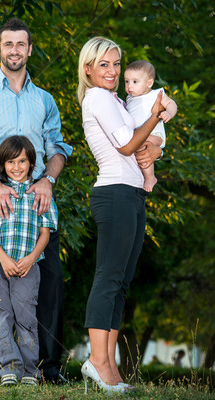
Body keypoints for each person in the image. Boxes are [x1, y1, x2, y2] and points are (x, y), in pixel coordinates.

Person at [0, 17, 73, 384]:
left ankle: (46, 367)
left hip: (36, 198)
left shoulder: (45, 100)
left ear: (29, 49)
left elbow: (57, 150)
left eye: (20, 44)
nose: (14, 50)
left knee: (49, 279)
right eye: (8, 44)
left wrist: (49, 181)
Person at [77, 36, 166, 394]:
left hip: (129, 193)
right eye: (104, 65)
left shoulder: (116, 97)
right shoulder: (98, 97)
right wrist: (156, 117)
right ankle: (97, 361)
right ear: (88, 69)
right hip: (114, 193)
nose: (113, 71)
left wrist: (156, 144)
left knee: (121, 283)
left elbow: (144, 141)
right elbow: (128, 144)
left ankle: (109, 365)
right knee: (109, 279)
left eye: (116, 64)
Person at [0, 135, 58, 387]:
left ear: (31, 163)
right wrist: (2, 259)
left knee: (26, 316)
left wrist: (32, 258)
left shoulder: (40, 194)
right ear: (2, 165)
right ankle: (8, 369)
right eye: (11, 161)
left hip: (27, 267)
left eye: (22, 161)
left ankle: (29, 372)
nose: (16, 167)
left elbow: (45, 233)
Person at [124, 60, 178, 192]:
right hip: (141, 133)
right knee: (138, 147)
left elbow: (172, 104)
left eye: (135, 82)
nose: (129, 86)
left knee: (140, 145)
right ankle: (143, 175)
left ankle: (150, 177)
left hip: (154, 134)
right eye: (126, 81)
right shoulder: (129, 99)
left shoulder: (155, 95)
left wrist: (168, 113)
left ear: (149, 83)